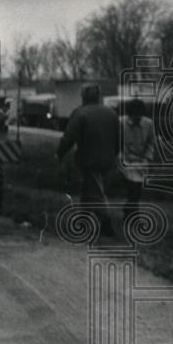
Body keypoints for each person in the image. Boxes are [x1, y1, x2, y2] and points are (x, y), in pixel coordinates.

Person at [55, 83, 120, 240]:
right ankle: (83, 221)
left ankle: (106, 224)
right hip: (108, 158)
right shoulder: (112, 114)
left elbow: (69, 138)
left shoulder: (80, 113)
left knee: (96, 191)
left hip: (89, 158)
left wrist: (60, 153)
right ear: (99, 96)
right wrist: (114, 154)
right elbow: (119, 139)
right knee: (89, 188)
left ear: (83, 97)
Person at [118, 98, 156, 223]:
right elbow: (117, 143)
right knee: (133, 188)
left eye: (140, 115)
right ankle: (134, 216)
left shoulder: (148, 124)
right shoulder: (121, 123)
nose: (138, 118)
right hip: (126, 161)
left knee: (136, 189)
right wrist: (123, 157)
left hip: (141, 161)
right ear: (130, 114)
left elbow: (151, 143)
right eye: (135, 115)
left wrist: (147, 158)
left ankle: (129, 212)